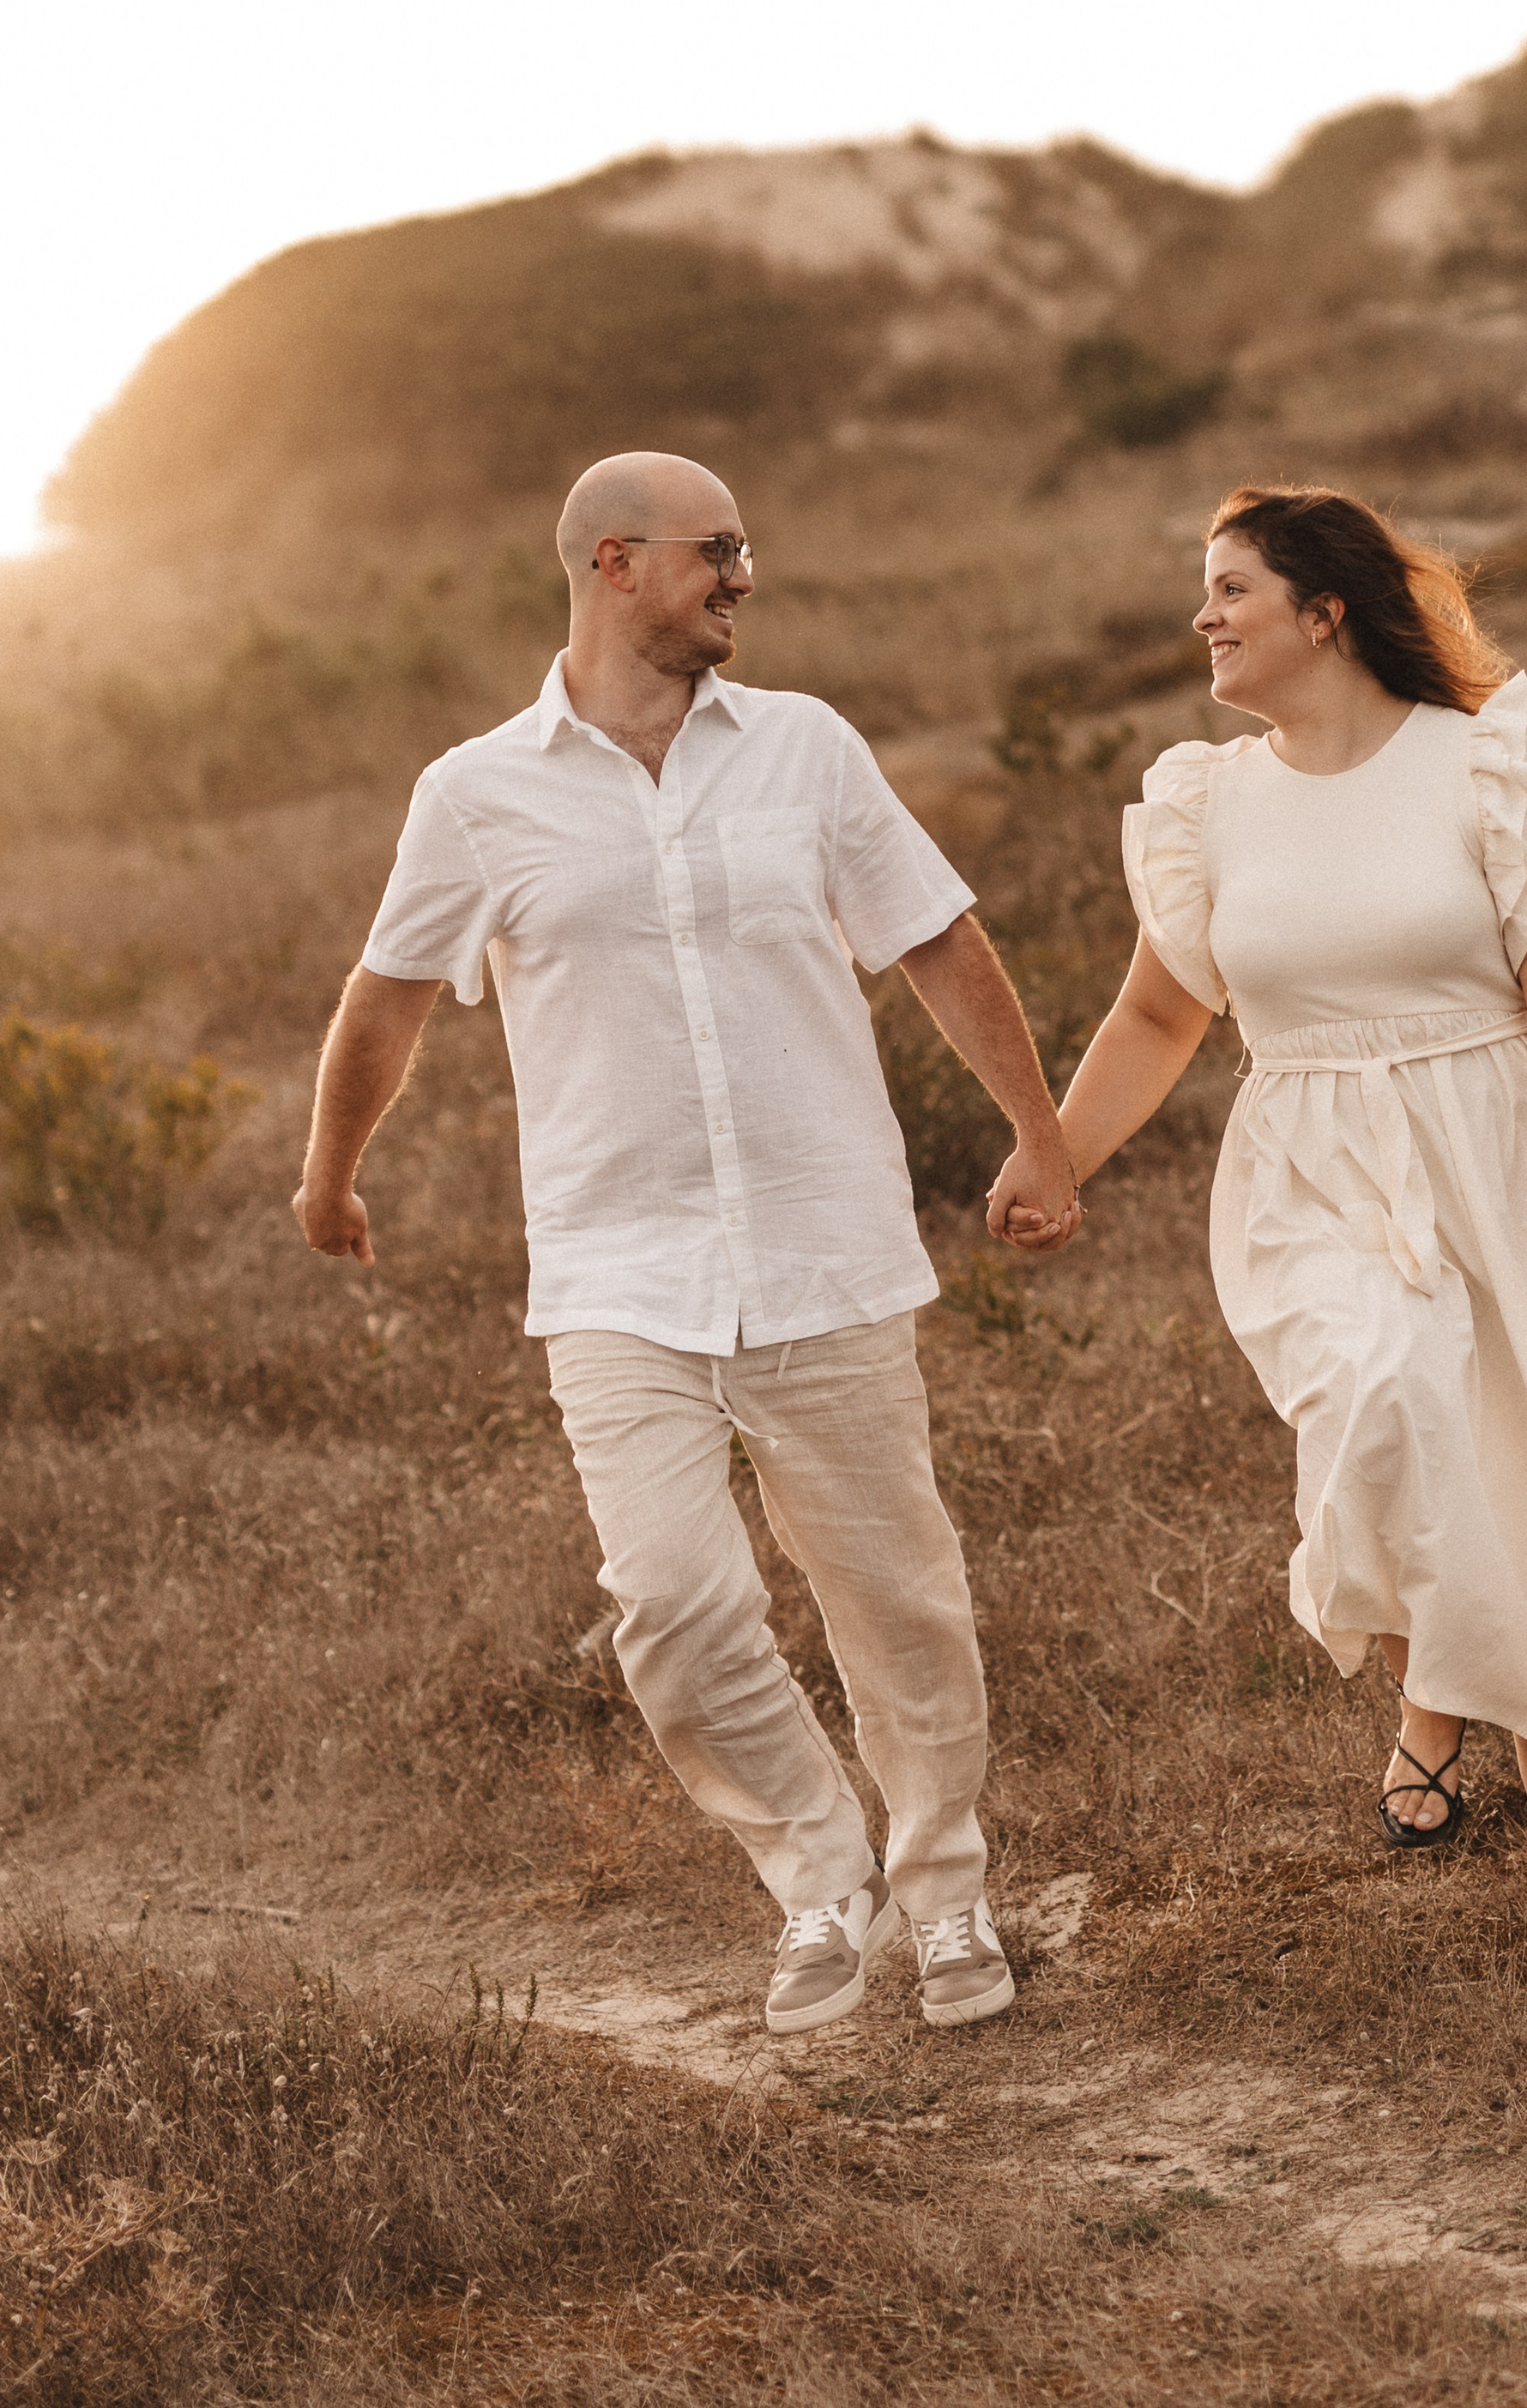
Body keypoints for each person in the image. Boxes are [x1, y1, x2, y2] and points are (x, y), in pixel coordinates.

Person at [295, 451, 1078, 2029]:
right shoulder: (475, 791)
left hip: (824, 1241)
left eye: (745, 548)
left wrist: (1038, 1129)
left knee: (897, 1596)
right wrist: (332, 1173)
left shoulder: (806, 749)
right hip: (615, 1268)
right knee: (672, 1603)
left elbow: (933, 934)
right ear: (610, 562)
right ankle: (814, 1879)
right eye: (716, 549)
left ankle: (944, 1895)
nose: (742, 575)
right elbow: (386, 994)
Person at [1000, 483, 1527, 1914]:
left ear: (1324, 609)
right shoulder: (1209, 803)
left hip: (1502, 1148)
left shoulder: (1484, 766)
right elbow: (1159, 1019)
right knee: (1393, 1402)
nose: (1204, 617)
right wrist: (1053, 1152)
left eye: (1230, 588)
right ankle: (1439, 1685)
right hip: (1317, 1169)